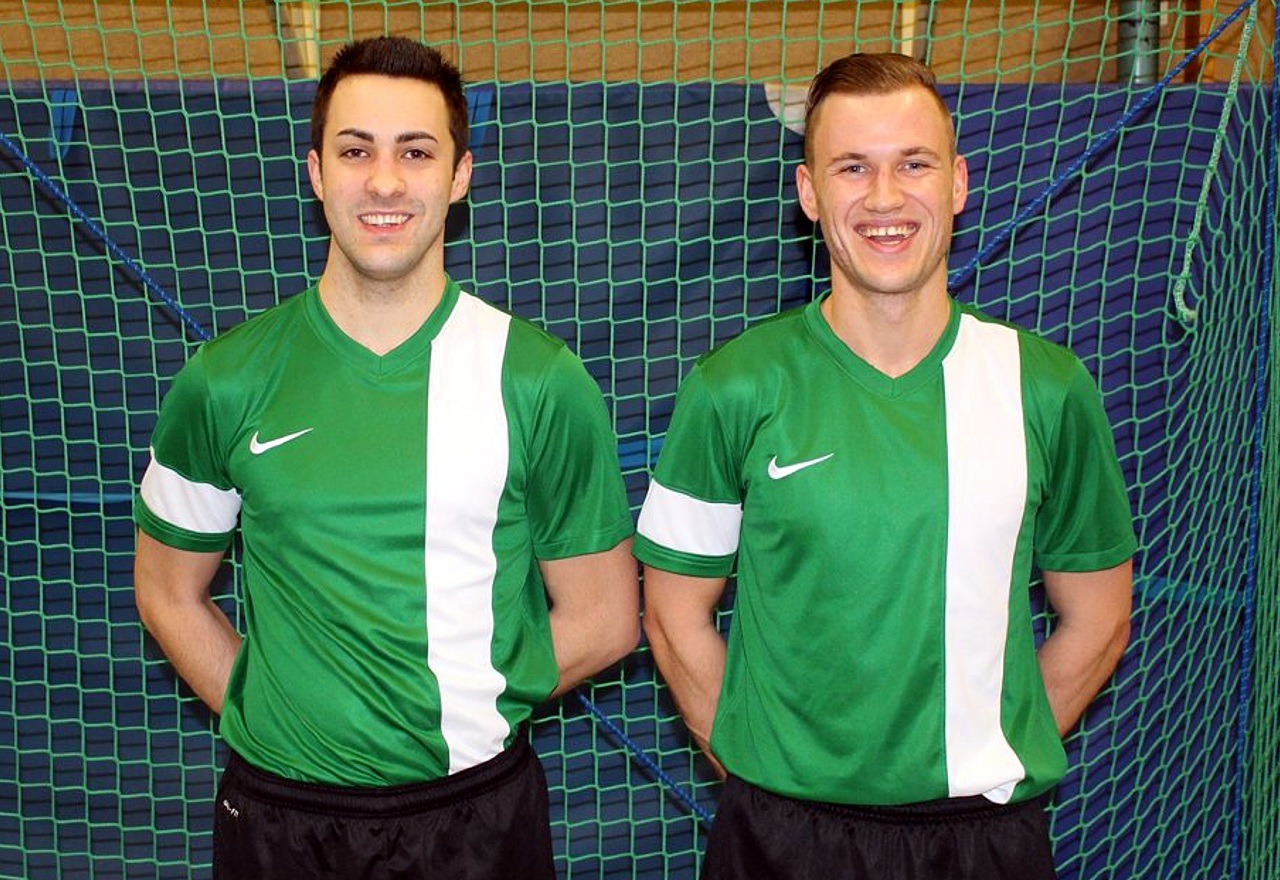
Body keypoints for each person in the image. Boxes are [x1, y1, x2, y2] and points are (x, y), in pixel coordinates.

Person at [133, 36, 638, 880]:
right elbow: (167, 589)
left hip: (476, 818)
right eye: (356, 151)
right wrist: (276, 716)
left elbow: (607, 617)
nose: (385, 182)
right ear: (316, 172)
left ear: (460, 175)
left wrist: (460, 704)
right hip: (280, 820)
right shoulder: (223, 381)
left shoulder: (539, 380)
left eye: (416, 152)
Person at [634, 52, 1136, 880]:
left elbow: (1100, 617)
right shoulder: (732, 385)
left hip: (982, 843)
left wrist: (991, 753)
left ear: (958, 182)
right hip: (780, 838)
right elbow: (671, 613)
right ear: (808, 193)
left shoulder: (1045, 387)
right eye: (853, 168)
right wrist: (765, 776)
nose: (884, 198)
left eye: (913, 164)